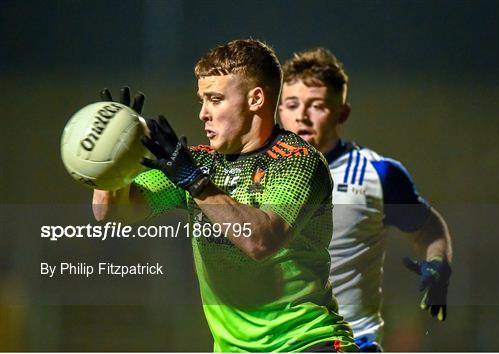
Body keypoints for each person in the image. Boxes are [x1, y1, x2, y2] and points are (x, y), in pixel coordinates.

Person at [93, 40, 359, 352]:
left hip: (307, 342)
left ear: (255, 99)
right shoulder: (199, 163)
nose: (203, 113)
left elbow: (260, 241)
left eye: (215, 99)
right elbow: (110, 215)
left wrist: (195, 183)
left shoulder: (298, 160)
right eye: (202, 100)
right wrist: (112, 164)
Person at [278, 48, 453, 351]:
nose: (302, 115)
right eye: (292, 104)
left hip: (349, 343)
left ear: (341, 113)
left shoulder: (378, 174)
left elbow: (429, 230)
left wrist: (438, 264)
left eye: (316, 105)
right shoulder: (254, 173)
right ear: (279, 111)